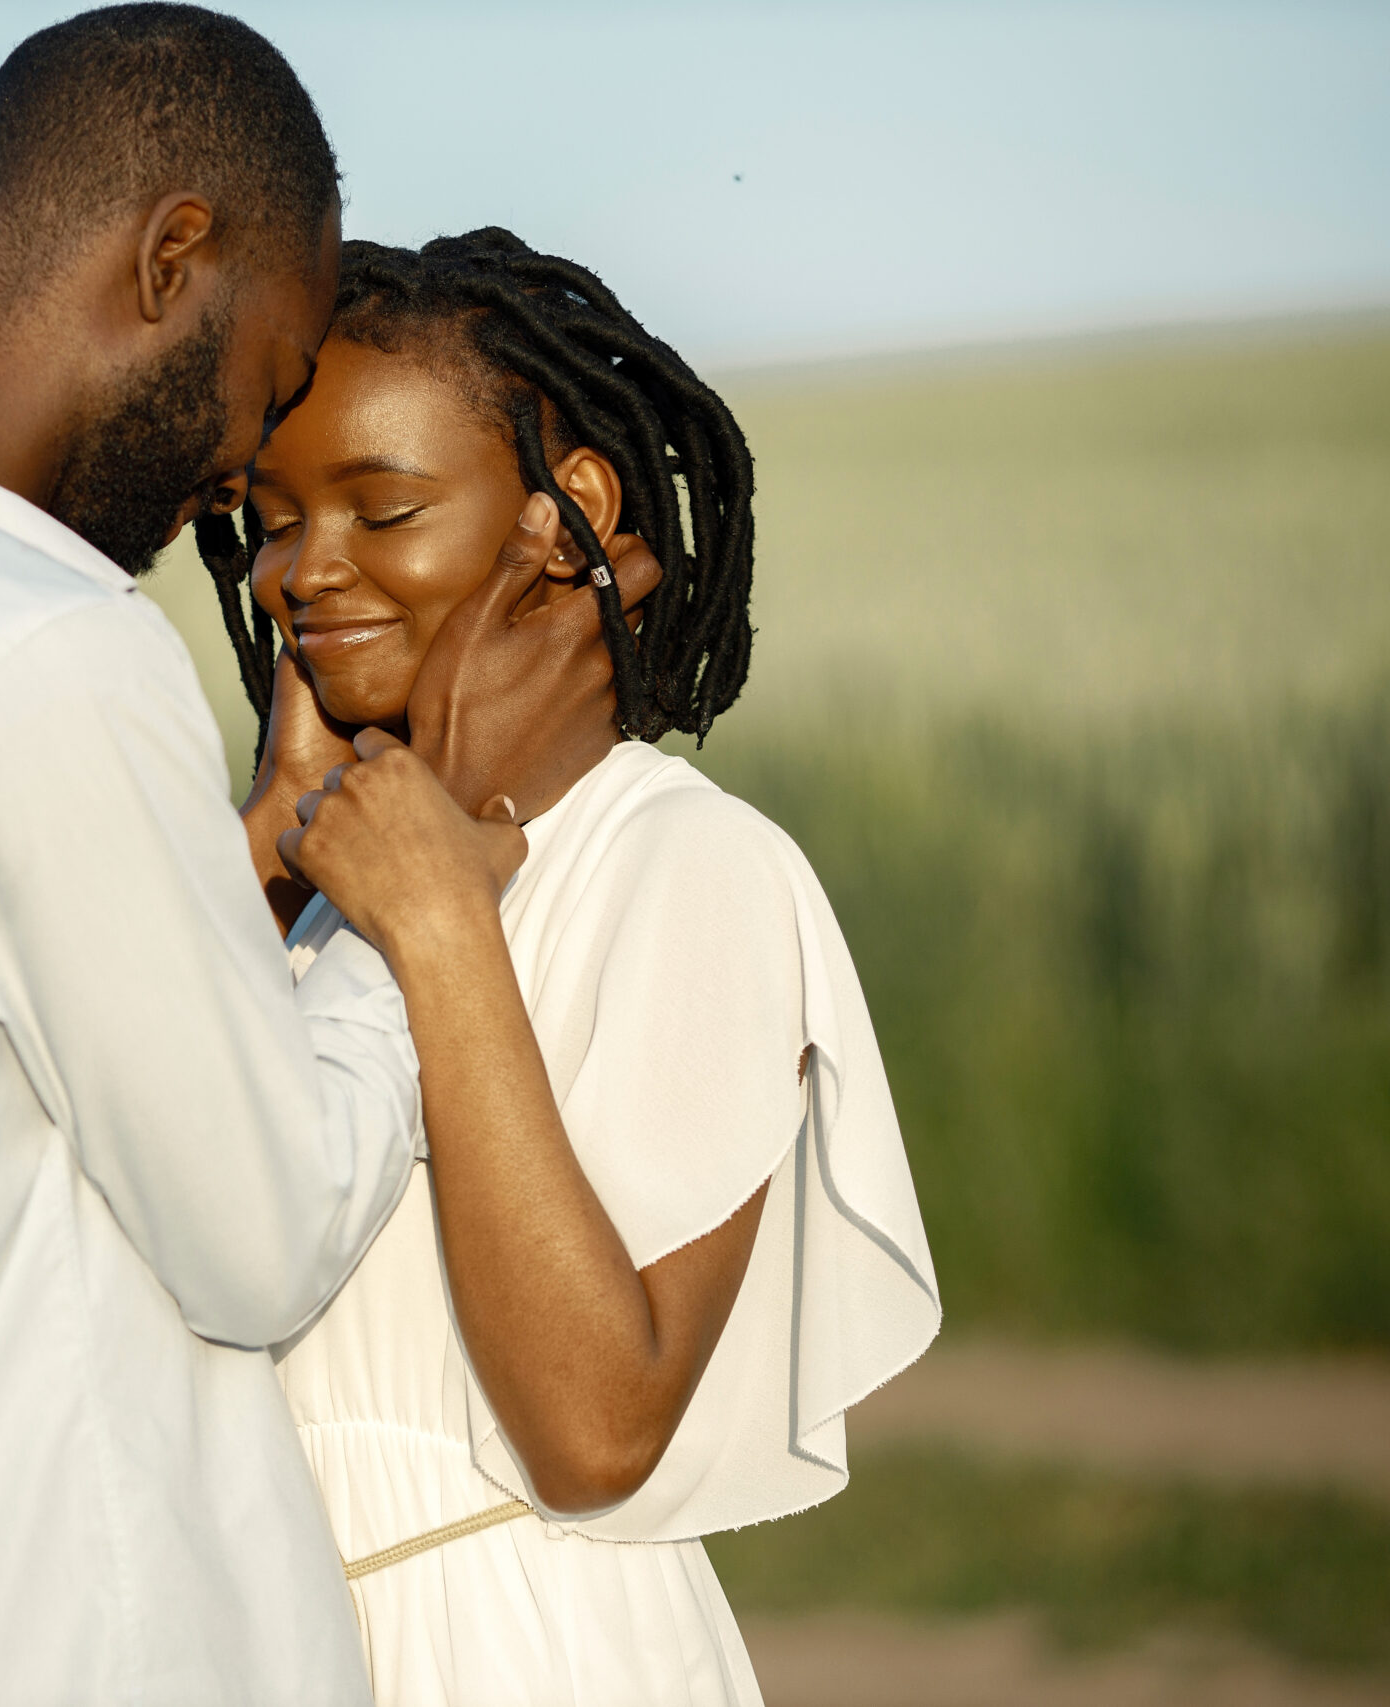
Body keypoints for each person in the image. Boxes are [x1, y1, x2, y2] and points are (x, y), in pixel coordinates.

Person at [0, 15, 649, 1705]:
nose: (238, 476)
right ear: (171, 261)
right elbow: (264, 1238)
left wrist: (246, 869)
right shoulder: (43, 646)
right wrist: (414, 887)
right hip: (77, 1641)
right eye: (268, 381)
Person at [193, 230, 943, 1704]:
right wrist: (266, 854)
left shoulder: (686, 865)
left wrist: (443, 931)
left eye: (383, 509)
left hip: (516, 1651)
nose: (303, 571)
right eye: (272, 522)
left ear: (568, 515)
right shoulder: (313, 889)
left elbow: (598, 1430)